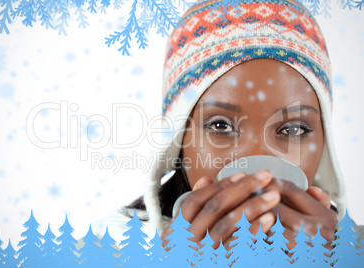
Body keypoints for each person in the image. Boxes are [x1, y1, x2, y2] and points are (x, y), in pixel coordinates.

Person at [94, 0, 364, 253]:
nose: (260, 160)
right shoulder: (107, 247)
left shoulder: (353, 250)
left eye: (293, 130)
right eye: (220, 126)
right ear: (178, 141)